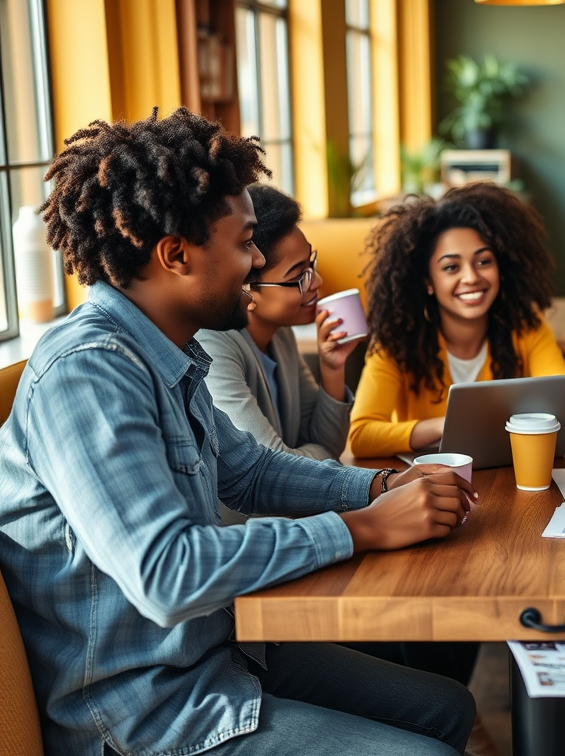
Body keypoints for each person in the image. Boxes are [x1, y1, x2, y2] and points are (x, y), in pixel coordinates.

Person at [0, 108, 478, 756]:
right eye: (245, 242)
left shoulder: (170, 352)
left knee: (447, 707)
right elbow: (167, 573)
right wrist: (365, 526)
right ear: (176, 255)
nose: (256, 260)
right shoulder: (86, 376)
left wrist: (384, 485)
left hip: (220, 653)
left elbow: (252, 470)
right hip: (144, 714)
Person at [348, 182, 565, 458]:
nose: (472, 277)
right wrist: (445, 426)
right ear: (428, 282)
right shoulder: (397, 341)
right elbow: (361, 436)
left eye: (483, 261)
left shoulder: (526, 328)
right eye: (451, 267)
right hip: (429, 486)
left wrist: (477, 428)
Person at [197, 183, 355, 461]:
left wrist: (332, 367)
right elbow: (271, 466)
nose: (316, 282)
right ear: (246, 285)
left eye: (311, 265)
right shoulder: (212, 347)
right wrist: (308, 456)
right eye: (298, 277)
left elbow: (328, 444)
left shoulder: (279, 336)